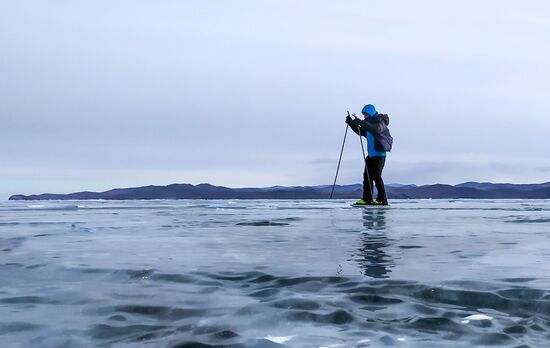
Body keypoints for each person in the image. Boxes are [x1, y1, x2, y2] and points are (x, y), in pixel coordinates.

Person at [345, 104, 393, 205]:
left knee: (376, 176)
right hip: (371, 156)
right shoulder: (368, 124)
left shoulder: (381, 122)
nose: (365, 117)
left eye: (366, 115)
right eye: (364, 115)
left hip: (379, 155)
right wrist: (351, 123)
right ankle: (367, 199)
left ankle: (382, 200)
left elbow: (376, 129)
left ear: (371, 113)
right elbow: (361, 132)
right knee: (367, 177)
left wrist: (361, 122)